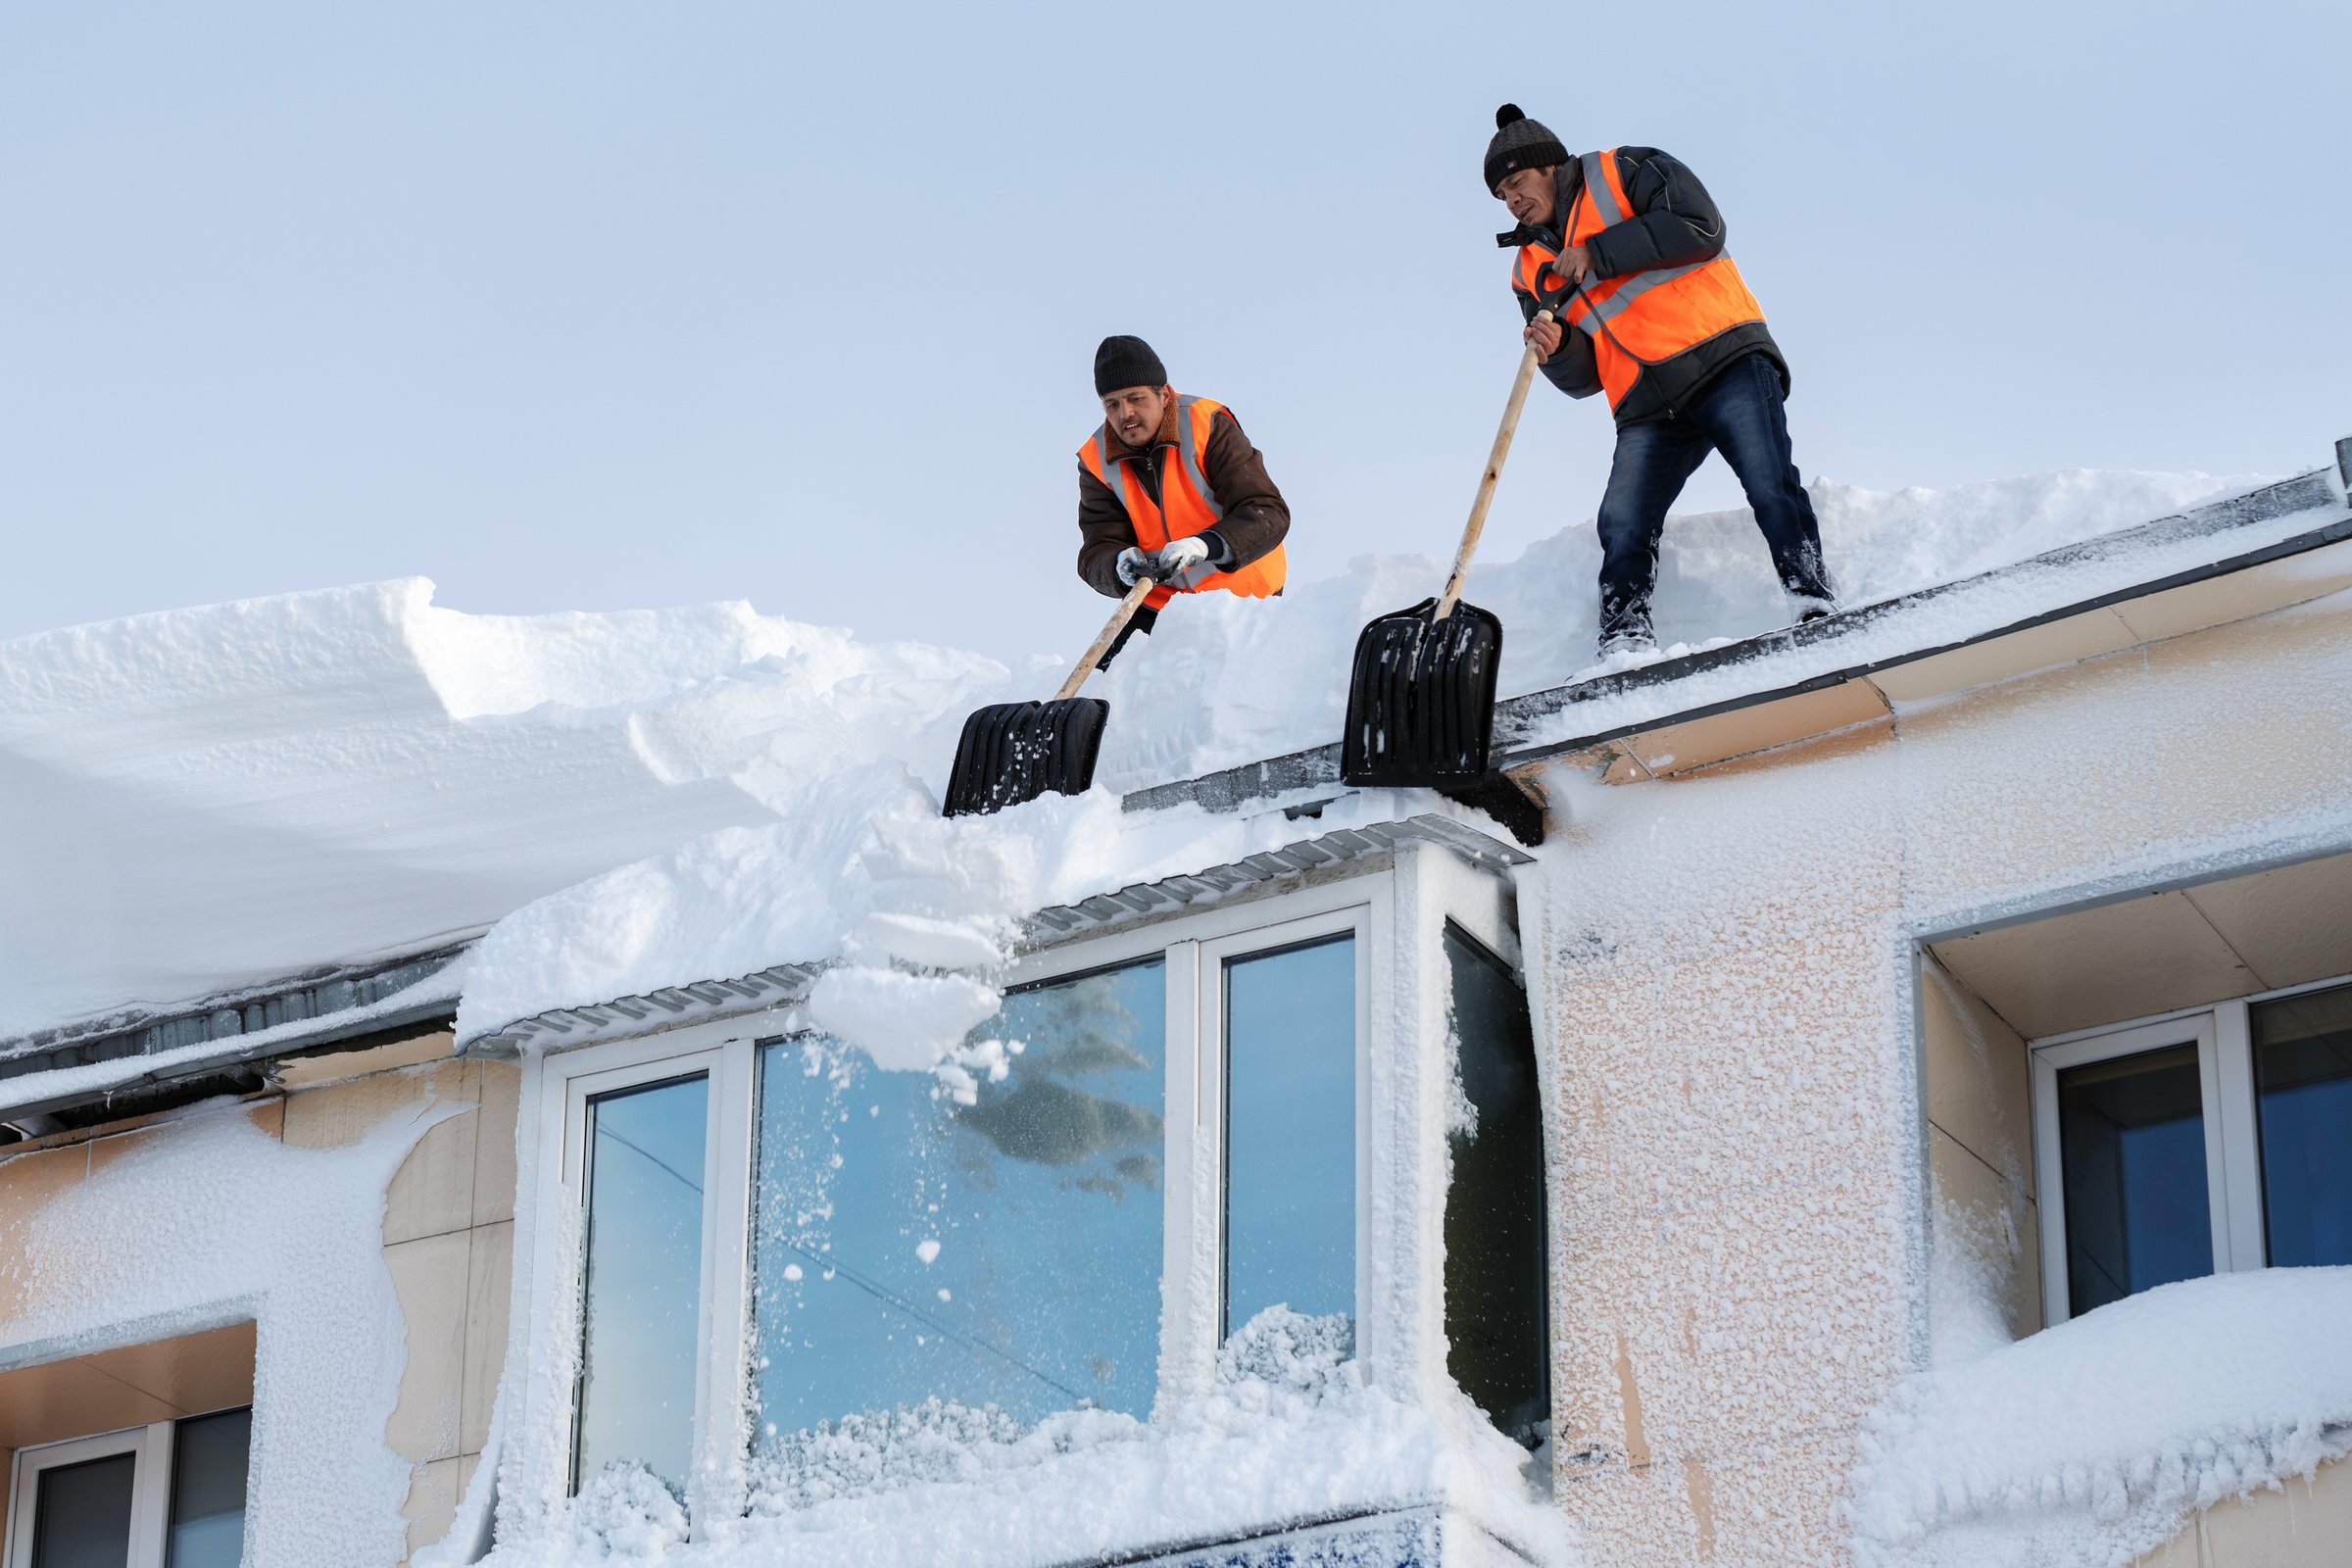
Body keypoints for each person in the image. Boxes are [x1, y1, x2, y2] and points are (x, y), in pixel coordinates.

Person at [1485, 104, 1838, 660]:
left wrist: (1598, 253)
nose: (1512, 200)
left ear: (1550, 166)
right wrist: (1557, 354)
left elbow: (1701, 226)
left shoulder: (1625, 170)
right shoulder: (1527, 269)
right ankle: (1624, 637)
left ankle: (1811, 597)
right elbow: (1583, 381)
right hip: (1646, 404)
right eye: (1501, 194)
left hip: (1722, 359)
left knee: (1770, 481)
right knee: (1623, 521)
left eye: (1517, 182)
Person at [1076, 335, 1289, 666]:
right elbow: (1095, 551)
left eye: (1135, 398)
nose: (1125, 414)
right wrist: (1117, 563)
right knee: (1109, 681)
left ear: (1164, 394)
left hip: (1244, 595)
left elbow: (1267, 512)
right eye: (1112, 404)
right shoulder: (1095, 459)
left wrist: (1203, 546)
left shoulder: (1208, 424)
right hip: (1163, 605)